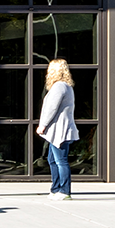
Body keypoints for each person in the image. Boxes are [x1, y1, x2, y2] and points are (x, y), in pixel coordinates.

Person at [36, 59, 78, 198]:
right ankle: (55, 188)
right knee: (53, 160)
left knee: (60, 161)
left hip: (60, 131)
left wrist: (43, 125)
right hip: (61, 130)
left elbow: (51, 108)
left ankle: (64, 191)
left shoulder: (59, 86)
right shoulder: (66, 86)